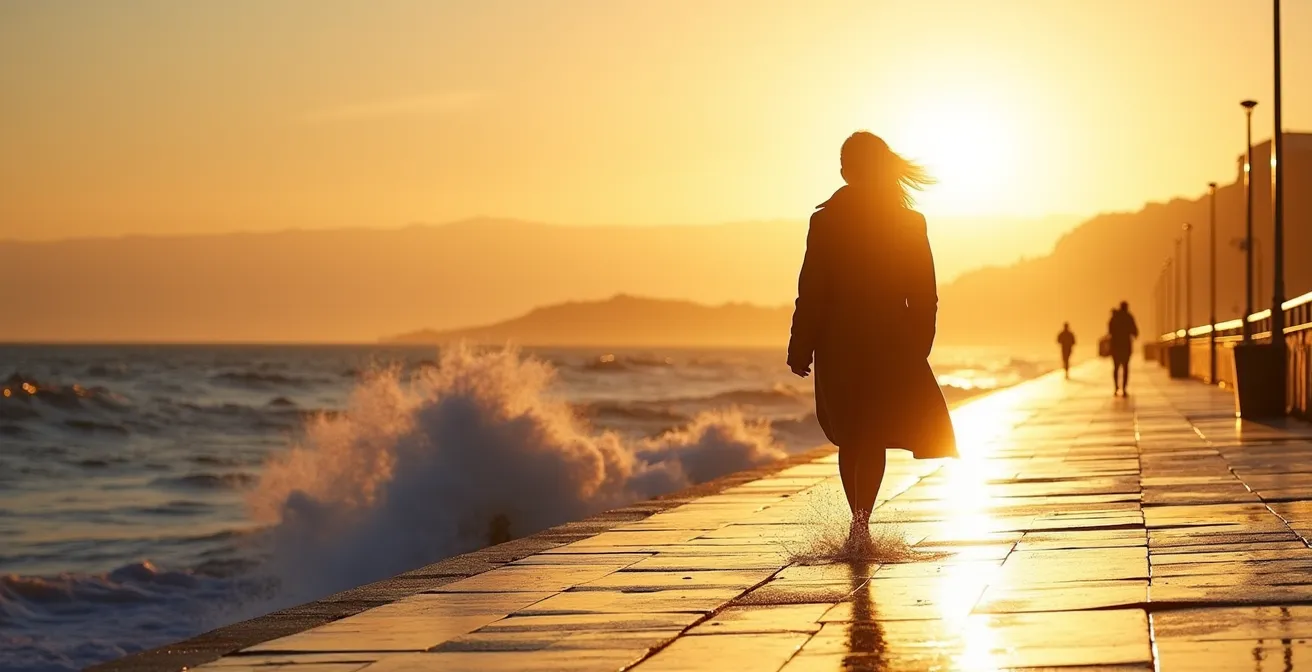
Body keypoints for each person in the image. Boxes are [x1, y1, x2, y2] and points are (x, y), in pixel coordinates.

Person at [788, 131, 957, 549]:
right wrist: (917, 345)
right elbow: (925, 295)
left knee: (855, 433)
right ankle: (861, 521)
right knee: (869, 432)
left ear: (850, 169)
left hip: (841, 341)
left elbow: (813, 290)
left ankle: (859, 521)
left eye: (847, 161)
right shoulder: (905, 221)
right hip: (887, 342)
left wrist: (801, 343)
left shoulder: (829, 220)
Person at [1108, 301, 1139, 396]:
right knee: (1125, 367)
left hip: (1115, 345)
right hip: (1125, 346)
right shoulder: (1129, 317)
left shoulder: (1114, 317)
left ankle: (1116, 387)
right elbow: (1135, 332)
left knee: (1116, 367)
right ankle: (1124, 389)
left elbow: (1110, 330)